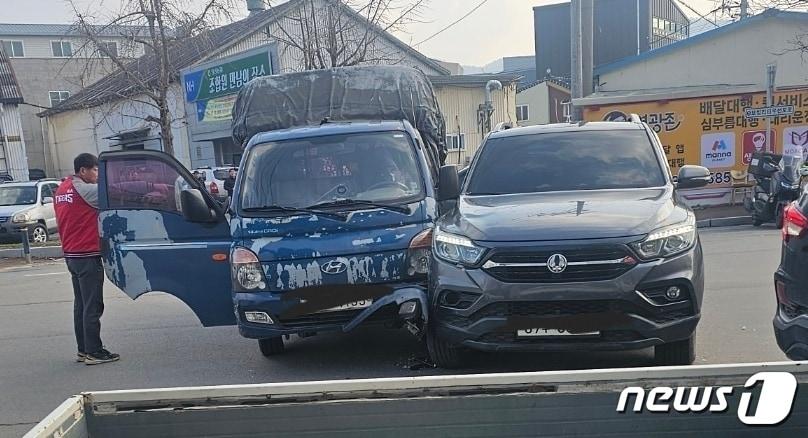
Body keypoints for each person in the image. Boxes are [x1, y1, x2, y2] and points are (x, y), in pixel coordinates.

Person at [54, 153, 120, 366]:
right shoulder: (88, 191)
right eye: (94, 170)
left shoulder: (62, 189)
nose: (97, 174)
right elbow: (115, 193)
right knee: (93, 305)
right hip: (86, 254)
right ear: (83, 171)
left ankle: (83, 349)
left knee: (81, 305)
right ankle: (94, 351)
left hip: (71, 255)